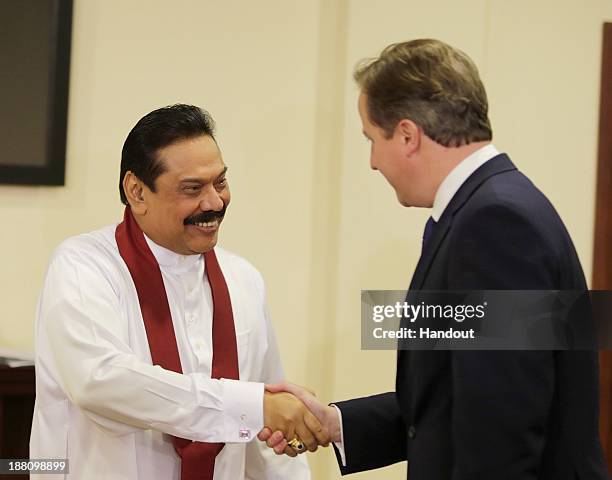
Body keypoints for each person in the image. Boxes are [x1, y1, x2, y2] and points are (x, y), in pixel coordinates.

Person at [260, 39, 609, 479]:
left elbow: (502, 429)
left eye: (371, 139)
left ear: (407, 135)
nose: (372, 162)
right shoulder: (490, 208)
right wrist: (336, 424)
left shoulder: (496, 224)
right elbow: (454, 391)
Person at [30, 104, 329, 480]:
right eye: (192, 189)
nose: (214, 203)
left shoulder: (244, 279)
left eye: (220, 182)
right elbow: (101, 382)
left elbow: (264, 436)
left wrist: (272, 419)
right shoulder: (83, 266)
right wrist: (250, 406)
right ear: (136, 191)